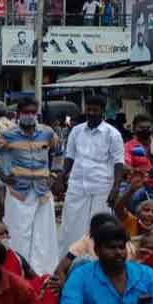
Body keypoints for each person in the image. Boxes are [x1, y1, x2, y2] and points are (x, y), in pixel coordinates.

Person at [0, 98, 63, 275]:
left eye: (33, 112)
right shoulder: (9, 134)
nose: (30, 116)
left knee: (43, 233)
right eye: (26, 112)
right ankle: (17, 269)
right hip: (18, 191)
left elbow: (59, 153)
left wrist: (54, 176)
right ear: (18, 114)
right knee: (18, 232)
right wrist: (3, 176)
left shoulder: (47, 133)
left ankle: (42, 272)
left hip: (42, 190)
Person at [59, 96, 125, 256]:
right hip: (77, 186)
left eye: (95, 110)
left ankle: (96, 262)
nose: (91, 112)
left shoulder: (112, 134)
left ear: (103, 111)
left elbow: (118, 162)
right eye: (89, 109)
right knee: (70, 226)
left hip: (101, 187)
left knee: (99, 227)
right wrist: (61, 176)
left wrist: (116, 188)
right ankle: (69, 263)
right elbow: (70, 157)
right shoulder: (76, 131)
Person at [114, 171, 153, 238]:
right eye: (146, 210)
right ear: (138, 213)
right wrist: (131, 191)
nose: (149, 214)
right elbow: (118, 209)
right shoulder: (132, 221)